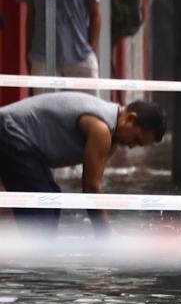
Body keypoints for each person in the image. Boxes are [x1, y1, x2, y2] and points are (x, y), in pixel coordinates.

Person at [0, 92, 167, 233]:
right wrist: (105, 236)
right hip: (10, 131)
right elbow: (91, 187)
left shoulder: (111, 137)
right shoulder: (101, 129)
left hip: (20, 140)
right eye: (136, 140)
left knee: (51, 202)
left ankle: (34, 262)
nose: (131, 147)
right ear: (130, 119)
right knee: (42, 211)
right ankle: (30, 265)